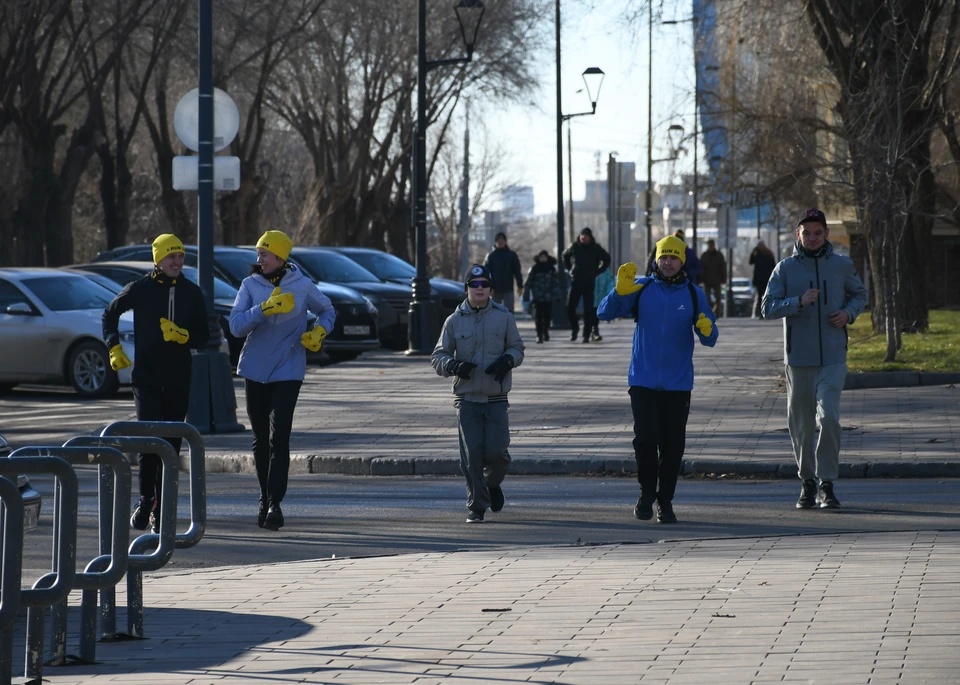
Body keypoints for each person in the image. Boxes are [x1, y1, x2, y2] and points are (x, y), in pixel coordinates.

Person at [597, 235, 718, 524]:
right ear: (656, 259)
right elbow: (604, 313)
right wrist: (619, 292)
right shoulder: (642, 288)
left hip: (677, 383)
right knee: (645, 441)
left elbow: (711, 339)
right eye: (663, 257)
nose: (668, 262)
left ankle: (666, 501)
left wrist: (705, 328)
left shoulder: (693, 294)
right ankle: (646, 494)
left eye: (674, 257)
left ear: (682, 261)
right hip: (643, 379)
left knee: (673, 446)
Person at [102, 234, 209, 534]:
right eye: (171, 256)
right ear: (157, 259)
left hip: (178, 379)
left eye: (181, 256)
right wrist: (114, 347)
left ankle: (162, 511)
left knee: (171, 447)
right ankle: (145, 499)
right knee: (149, 444)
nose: (177, 261)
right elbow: (109, 314)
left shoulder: (191, 291)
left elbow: (205, 333)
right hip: (146, 379)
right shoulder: (140, 289)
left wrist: (184, 335)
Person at [761, 208, 868, 510]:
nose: (812, 237)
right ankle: (807, 482)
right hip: (799, 360)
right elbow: (767, 307)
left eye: (817, 232)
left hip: (833, 357)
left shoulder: (842, 265)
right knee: (802, 425)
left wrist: (848, 313)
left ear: (826, 234)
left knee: (830, 417)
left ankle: (827, 483)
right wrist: (797, 302)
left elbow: (860, 295)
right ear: (798, 234)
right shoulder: (785, 269)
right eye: (806, 232)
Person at [229, 230, 336, 531]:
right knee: (261, 438)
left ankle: (276, 503)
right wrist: (263, 309)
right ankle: (263, 497)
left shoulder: (302, 285)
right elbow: (236, 326)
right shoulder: (250, 285)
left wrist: (318, 332)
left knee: (281, 437)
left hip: (288, 368)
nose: (259, 259)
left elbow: (327, 310)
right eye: (258, 254)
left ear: (280, 256)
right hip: (255, 369)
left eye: (264, 254)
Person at [431, 264, 525, 523]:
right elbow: (438, 356)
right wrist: (454, 365)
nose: (479, 288)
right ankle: (477, 506)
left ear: (491, 289)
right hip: (467, 399)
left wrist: (507, 360)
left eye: (484, 284)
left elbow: (518, 348)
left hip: (496, 399)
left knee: (498, 454)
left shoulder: (504, 316)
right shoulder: (453, 320)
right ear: (467, 289)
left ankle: (491, 484)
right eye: (474, 284)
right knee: (471, 456)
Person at [561, 227, 610, 343]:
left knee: (589, 310)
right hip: (576, 280)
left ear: (590, 237)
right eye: (582, 236)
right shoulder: (574, 247)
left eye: (586, 236)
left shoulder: (596, 248)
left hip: (589, 281)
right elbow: (565, 255)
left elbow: (607, 259)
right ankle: (575, 329)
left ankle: (586, 334)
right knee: (570, 307)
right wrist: (569, 269)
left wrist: (598, 271)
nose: (583, 238)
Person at [522, 250, 561, 343]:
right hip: (537, 297)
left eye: (544, 257)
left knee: (548, 316)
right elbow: (528, 283)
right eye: (541, 257)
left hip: (548, 297)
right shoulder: (534, 269)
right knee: (538, 317)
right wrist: (526, 294)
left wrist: (557, 295)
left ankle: (545, 331)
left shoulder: (551, 269)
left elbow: (555, 283)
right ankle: (539, 335)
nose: (543, 259)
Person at [483, 232, 523, 313]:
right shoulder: (490, 256)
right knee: (494, 312)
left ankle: (508, 326)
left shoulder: (511, 255)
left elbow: (517, 271)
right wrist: (489, 288)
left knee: (509, 312)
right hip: (494, 289)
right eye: (498, 240)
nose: (500, 242)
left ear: (505, 241)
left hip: (508, 289)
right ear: (495, 242)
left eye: (502, 240)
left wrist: (520, 285)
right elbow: (486, 274)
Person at [699, 239, 727, 317]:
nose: (711, 246)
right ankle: (709, 311)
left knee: (718, 297)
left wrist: (724, 279)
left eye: (712, 245)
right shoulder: (704, 255)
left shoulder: (719, 255)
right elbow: (700, 268)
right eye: (709, 245)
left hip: (717, 279)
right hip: (706, 279)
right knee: (707, 298)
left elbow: (723, 267)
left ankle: (716, 312)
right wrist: (700, 278)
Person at [749, 240, 776, 318]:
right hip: (758, 279)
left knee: (766, 296)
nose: (761, 247)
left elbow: (773, 265)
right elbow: (751, 262)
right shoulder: (756, 254)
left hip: (767, 278)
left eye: (762, 245)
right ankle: (761, 313)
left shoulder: (769, 254)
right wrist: (753, 252)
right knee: (759, 297)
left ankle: (767, 311)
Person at [588, 265, 615, 341]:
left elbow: (609, 283)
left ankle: (594, 331)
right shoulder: (588, 268)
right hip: (589, 297)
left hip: (600, 298)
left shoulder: (605, 270)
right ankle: (589, 332)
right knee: (589, 315)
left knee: (596, 315)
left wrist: (609, 295)